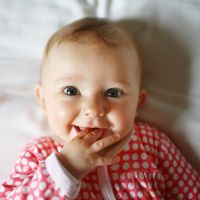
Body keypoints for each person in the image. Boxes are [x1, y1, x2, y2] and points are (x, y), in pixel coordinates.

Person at [0, 17, 199, 200]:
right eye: (71, 91)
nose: (93, 109)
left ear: (137, 103)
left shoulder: (152, 144)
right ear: (43, 100)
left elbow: (192, 192)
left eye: (113, 93)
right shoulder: (39, 154)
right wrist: (66, 167)